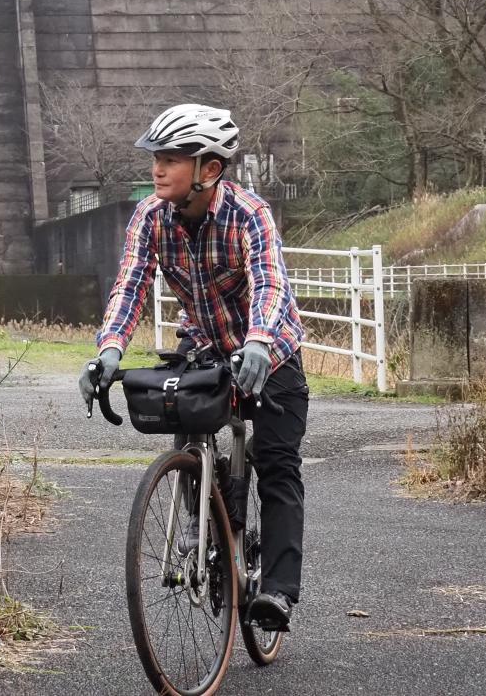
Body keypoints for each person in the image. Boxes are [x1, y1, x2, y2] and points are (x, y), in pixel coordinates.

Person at [78, 103, 309, 633]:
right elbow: (131, 284)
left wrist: (257, 341)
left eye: (171, 159)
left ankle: (276, 591)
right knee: (182, 424)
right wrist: (109, 348)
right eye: (156, 158)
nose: (157, 169)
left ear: (209, 169)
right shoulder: (150, 217)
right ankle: (199, 519)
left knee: (276, 463)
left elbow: (271, 284)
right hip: (204, 349)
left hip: (270, 352)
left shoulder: (249, 214)